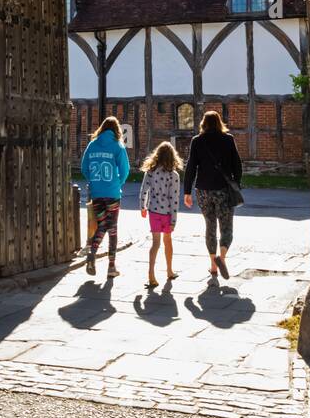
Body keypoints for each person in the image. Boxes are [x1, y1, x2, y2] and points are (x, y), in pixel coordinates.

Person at [183, 110, 243, 281]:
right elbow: (237, 165)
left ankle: (213, 264)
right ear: (219, 122)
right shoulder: (228, 139)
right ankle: (222, 258)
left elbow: (191, 167)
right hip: (223, 190)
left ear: (204, 123)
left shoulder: (197, 141)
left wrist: (187, 191)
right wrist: (236, 184)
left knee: (210, 226)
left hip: (203, 191)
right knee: (226, 227)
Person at [80, 116, 131, 278]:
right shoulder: (118, 146)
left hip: (97, 193)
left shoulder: (92, 144)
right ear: (116, 130)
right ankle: (111, 266)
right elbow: (125, 170)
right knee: (112, 229)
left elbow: (83, 167)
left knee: (102, 224)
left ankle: (92, 253)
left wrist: (93, 181)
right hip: (112, 193)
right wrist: (118, 183)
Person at [139, 141, 183, 289]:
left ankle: (151, 274)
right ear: (172, 157)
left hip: (153, 211)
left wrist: (142, 207)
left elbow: (143, 191)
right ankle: (169, 270)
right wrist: (174, 220)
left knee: (155, 244)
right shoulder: (174, 175)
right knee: (167, 241)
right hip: (167, 213)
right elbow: (174, 199)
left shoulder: (150, 172)